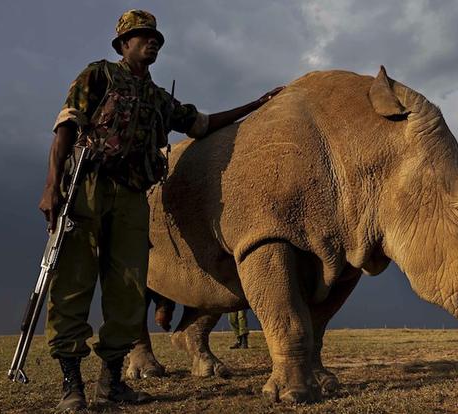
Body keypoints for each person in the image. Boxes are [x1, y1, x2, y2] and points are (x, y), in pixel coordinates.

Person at [38, 9, 282, 411]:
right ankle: (72, 386)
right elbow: (65, 126)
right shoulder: (97, 76)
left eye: (155, 37)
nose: (151, 41)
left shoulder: (157, 98)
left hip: (135, 197)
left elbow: (201, 123)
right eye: (142, 36)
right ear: (123, 44)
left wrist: (256, 104)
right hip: (88, 188)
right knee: (73, 284)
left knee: (129, 290)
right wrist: (52, 187)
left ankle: (111, 384)